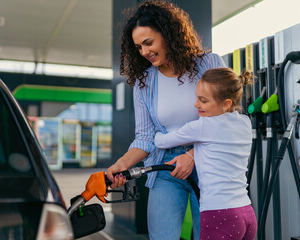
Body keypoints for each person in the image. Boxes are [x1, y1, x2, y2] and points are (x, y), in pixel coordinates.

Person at [106, 1, 226, 239]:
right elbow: (145, 138)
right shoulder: (144, 82)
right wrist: (122, 164)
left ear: (169, 34)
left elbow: (226, 121)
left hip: (208, 162)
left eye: (148, 43)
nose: (144, 52)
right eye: (138, 47)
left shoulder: (209, 64)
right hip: (165, 167)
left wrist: (192, 155)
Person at [154, 68, 258, 240]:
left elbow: (161, 141)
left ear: (226, 104)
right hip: (246, 212)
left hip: (220, 214)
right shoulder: (245, 122)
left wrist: (155, 131)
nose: (196, 104)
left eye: (203, 100)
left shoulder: (203, 126)